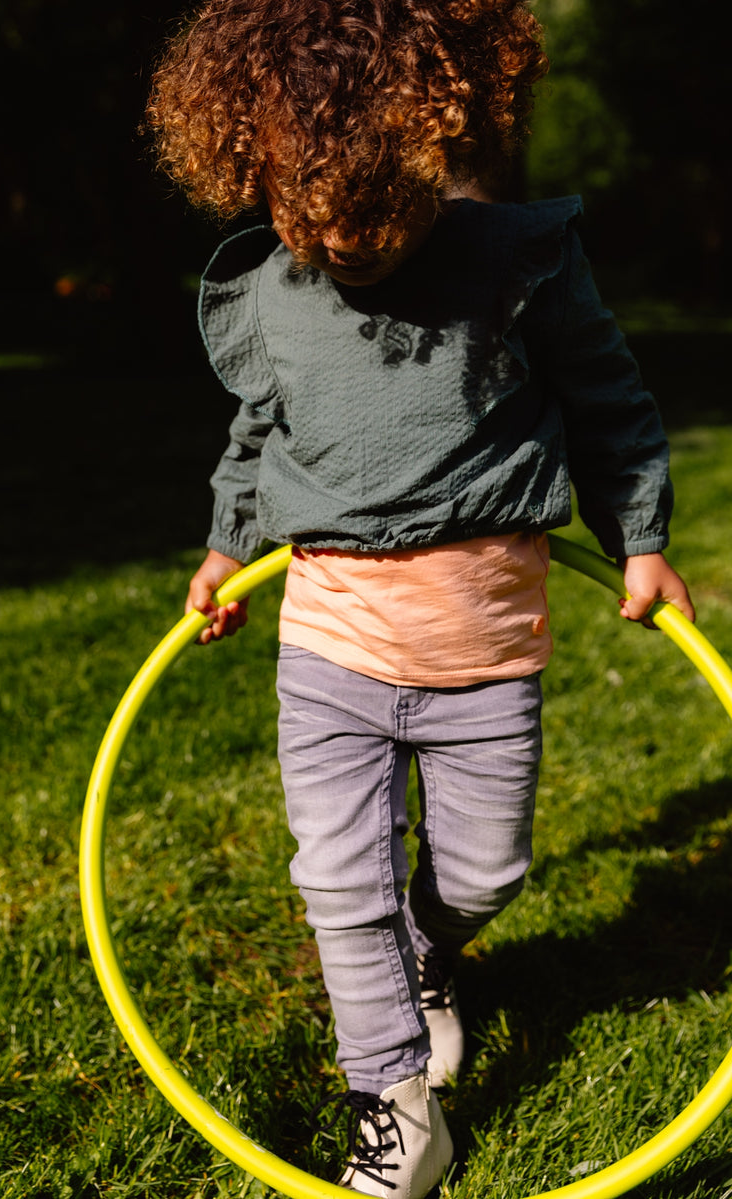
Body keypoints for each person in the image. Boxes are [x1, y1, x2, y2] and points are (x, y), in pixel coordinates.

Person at [146, 2, 695, 1195]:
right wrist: (223, 541)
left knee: (484, 871)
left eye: (376, 213)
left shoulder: (513, 257)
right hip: (331, 642)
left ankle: (428, 953)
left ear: (426, 146)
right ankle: (392, 1100)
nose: (349, 242)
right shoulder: (278, 284)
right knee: (335, 880)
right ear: (266, 172)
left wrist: (640, 537)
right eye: (317, 218)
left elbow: (606, 396)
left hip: (484, 649)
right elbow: (258, 429)